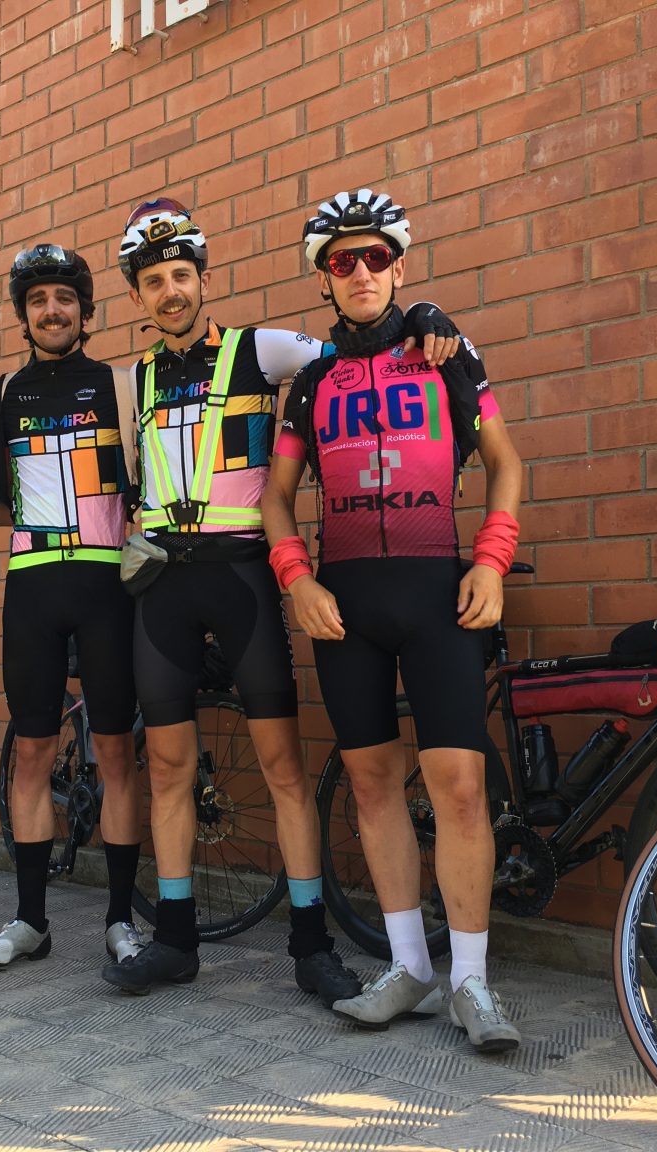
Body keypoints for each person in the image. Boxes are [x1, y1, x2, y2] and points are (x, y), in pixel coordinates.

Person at [261, 189, 524, 1052]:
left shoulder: (446, 354)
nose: (361, 272)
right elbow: (276, 497)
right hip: (346, 604)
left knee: (459, 785)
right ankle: (410, 968)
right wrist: (297, 579)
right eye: (342, 261)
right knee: (372, 784)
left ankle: (472, 981)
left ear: (399, 267)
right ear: (324, 280)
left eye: (376, 257)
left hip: (437, 593)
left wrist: (491, 558)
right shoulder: (310, 384)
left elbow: (504, 461)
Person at [101, 197, 383, 1002]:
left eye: (180, 275)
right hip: (162, 582)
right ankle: (175, 938)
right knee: (167, 768)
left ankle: (310, 944)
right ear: (137, 295)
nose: (170, 292)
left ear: (202, 277)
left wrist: (424, 325)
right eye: (153, 282)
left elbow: (355, 352)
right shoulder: (133, 380)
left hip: (243, 575)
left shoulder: (261, 349)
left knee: (281, 766)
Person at [0, 244, 145, 971]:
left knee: (117, 752)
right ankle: (30, 920)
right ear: (23, 314)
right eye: (37, 299)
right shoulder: (1, 393)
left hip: (107, 585)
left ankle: (121, 921)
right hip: (32, 586)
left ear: (86, 311)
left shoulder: (121, 385)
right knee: (33, 750)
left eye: (64, 297)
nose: (51, 309)